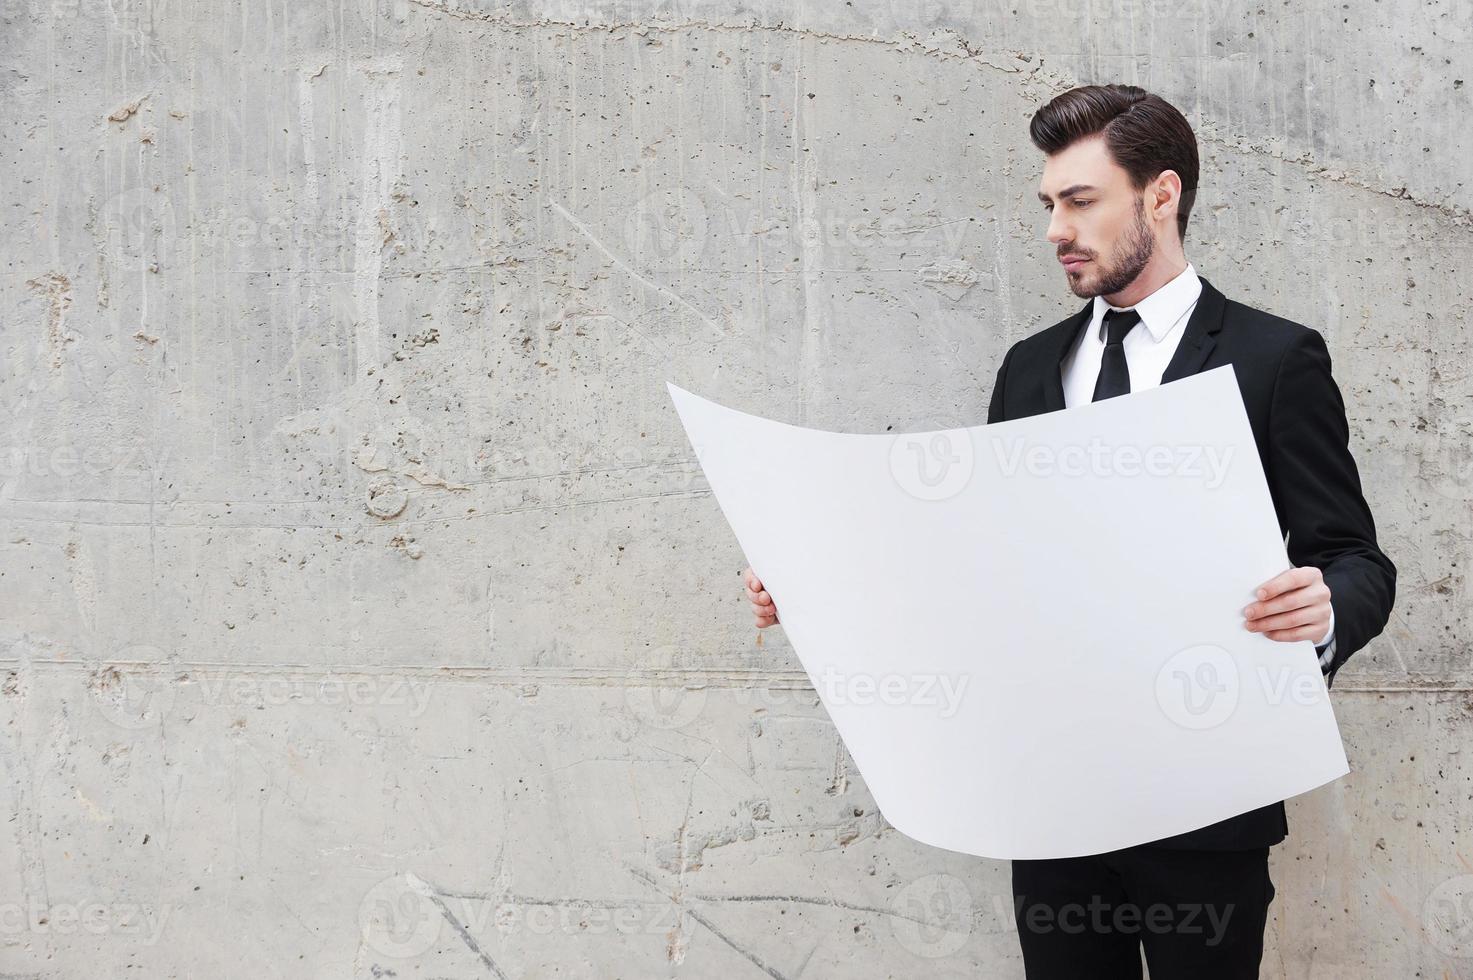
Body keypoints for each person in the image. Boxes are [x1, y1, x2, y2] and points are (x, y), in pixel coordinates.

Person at [740, 83, 1395, 978]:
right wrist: (816, 591)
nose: (1055, 228)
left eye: (1080, 201)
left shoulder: (1273, 359)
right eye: (1048, 204)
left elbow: (1353, 557)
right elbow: (977, 568)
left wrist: (1322, 613)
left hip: (1207, 796)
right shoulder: (1029, 368)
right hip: (1051, 802)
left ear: (1159, 196)